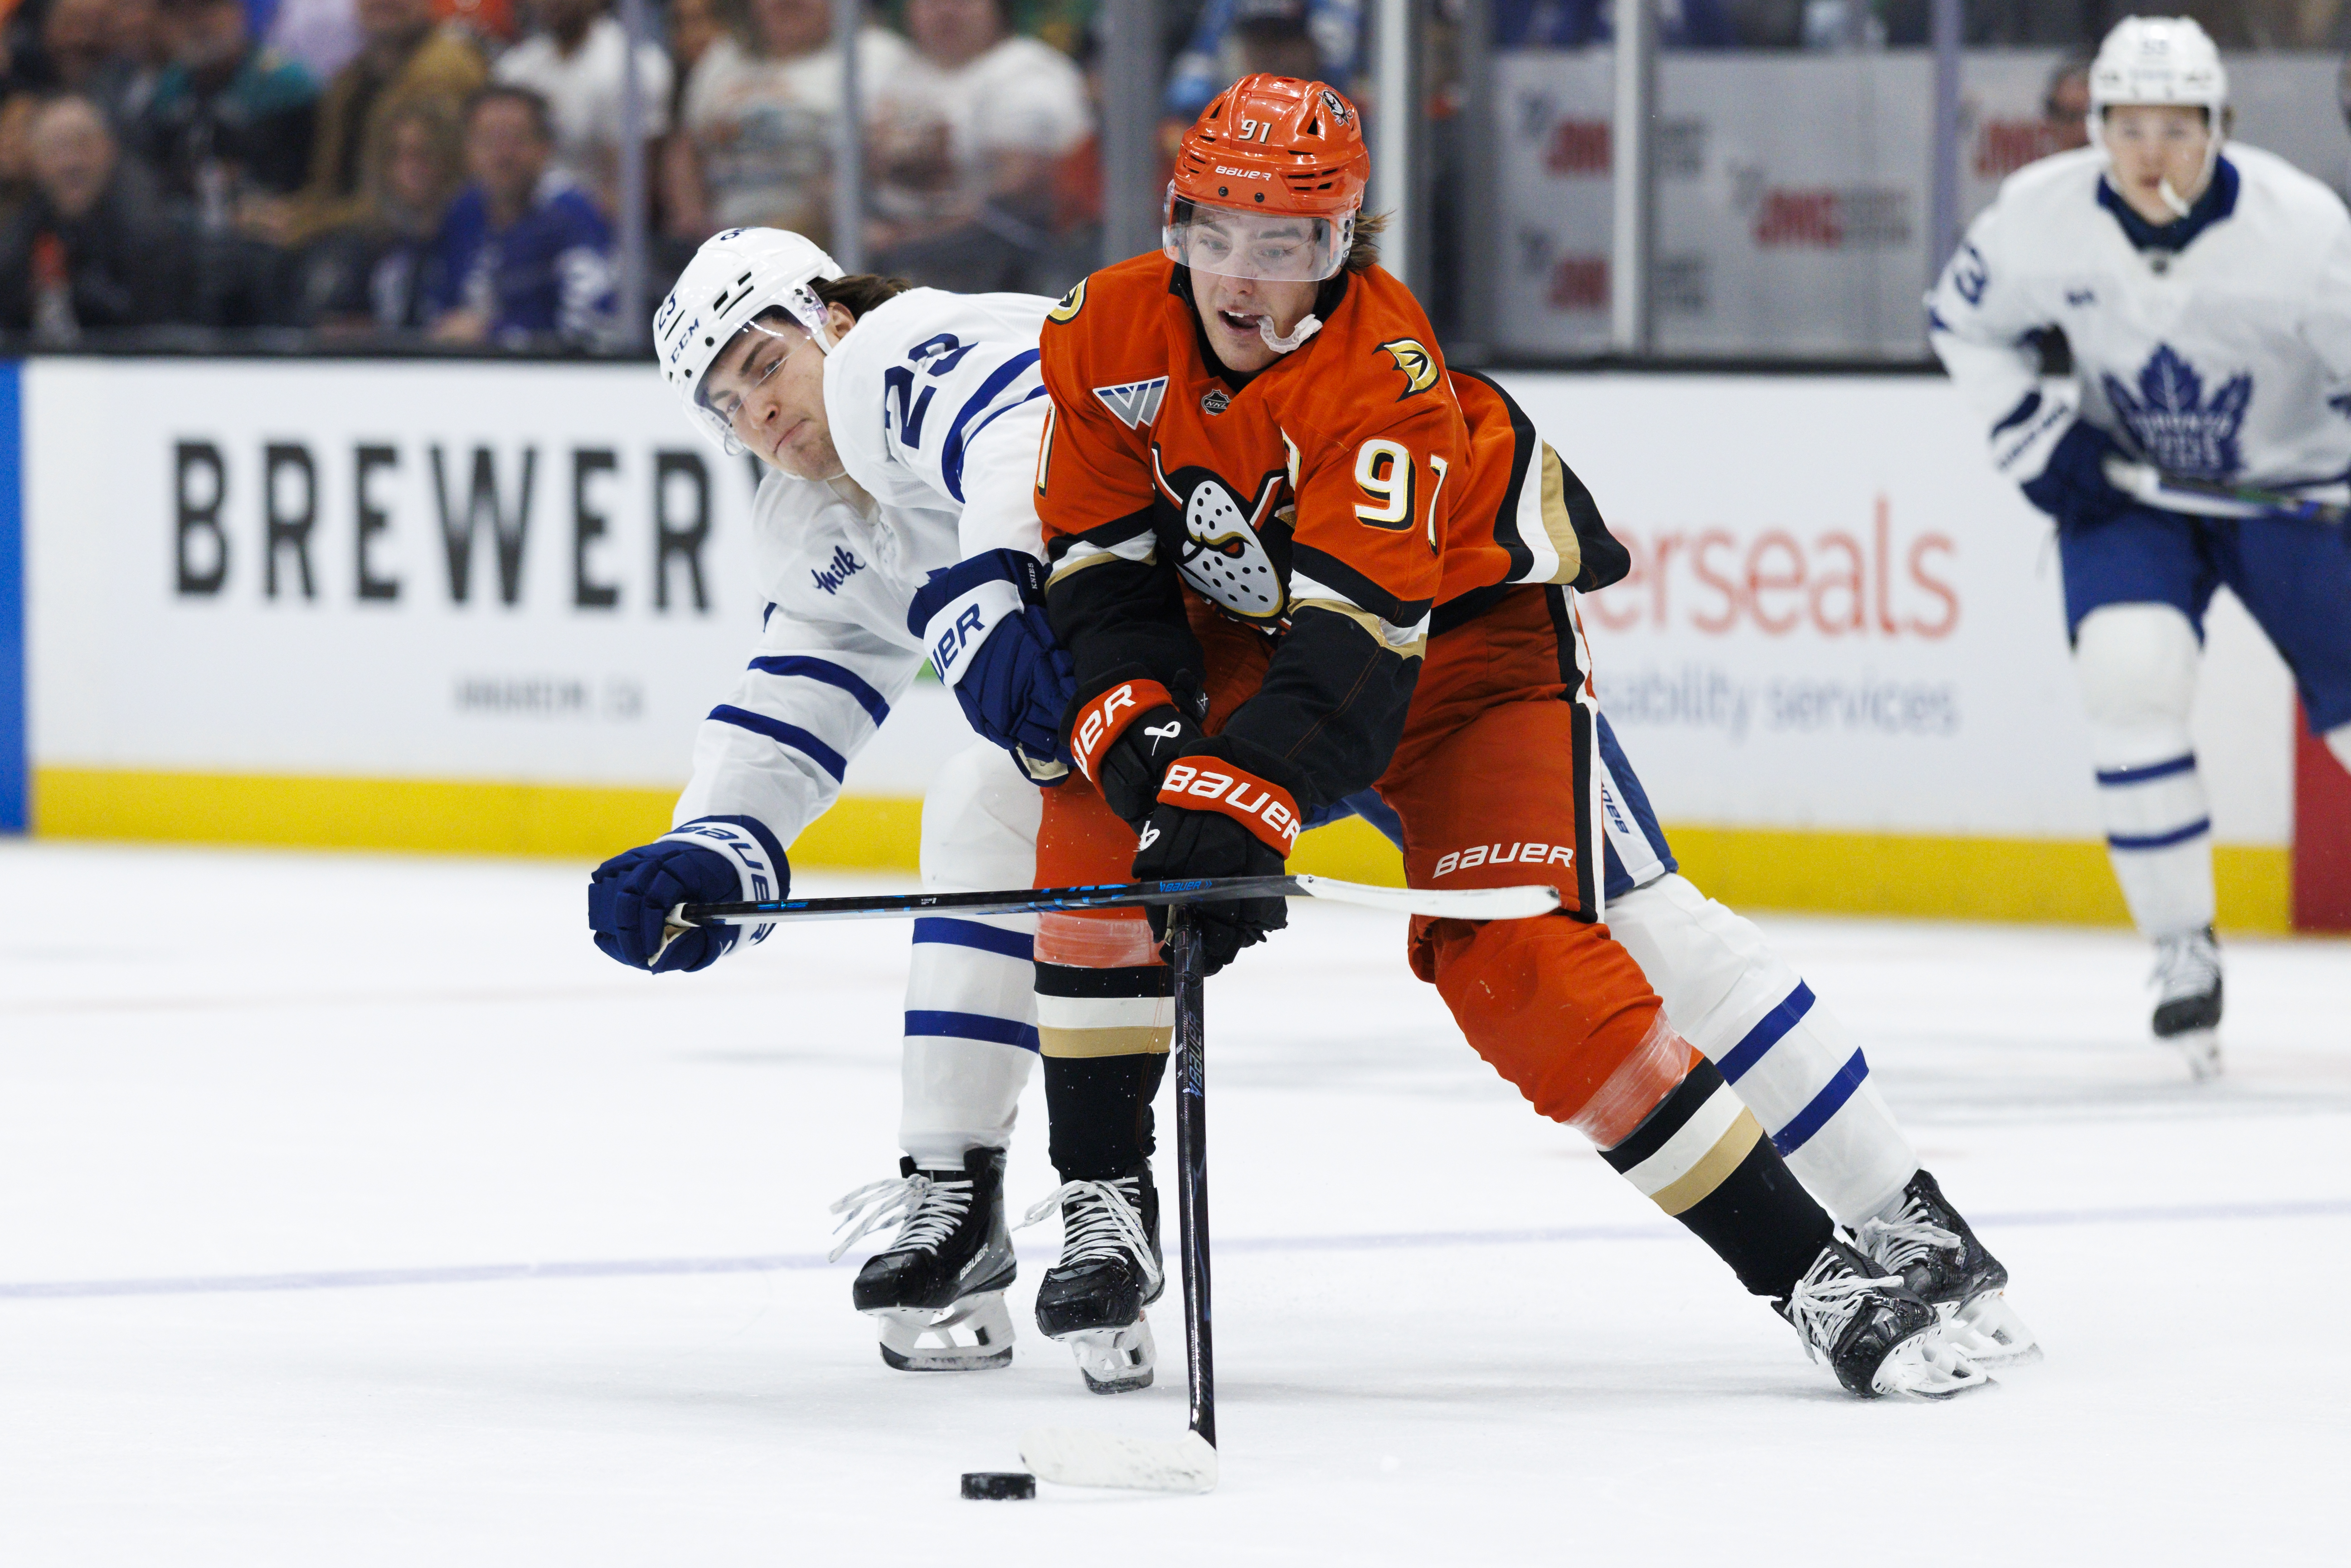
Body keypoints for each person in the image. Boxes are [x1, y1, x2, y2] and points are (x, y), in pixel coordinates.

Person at [1020, 72, 2016, 1402]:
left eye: (1288, 242)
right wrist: (1151, 757)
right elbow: (1099, 572)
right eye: (1218, 234)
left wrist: (1241, 799)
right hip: (1258, 625)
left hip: (1458, 640)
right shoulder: (1102, 333)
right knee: (1095, 815)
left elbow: (1357, 656)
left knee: (1537, 959)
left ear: (1344, 246)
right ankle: (1101, 1196)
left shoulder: (1381, 374)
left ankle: (1839, 1255)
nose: (1244, 279)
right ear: (1172, 223)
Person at [590, 225, 1079, 1371]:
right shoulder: (811, 525)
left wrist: (1001, 578)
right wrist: (718, 843)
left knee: (1556, 908)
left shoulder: (932, 350)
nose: (755, 416)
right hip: (1121, 744)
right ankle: (954, 1194)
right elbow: (793, 704)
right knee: (978, 805)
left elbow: (1022, 432)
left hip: (1290, 649)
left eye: (763, 365)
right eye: (724, 405)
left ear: (834, 320)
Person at [1929, 15, 2351, 1078]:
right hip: (2129, 492)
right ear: (2094, 128)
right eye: (2125, 125)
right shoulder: (2039, 218)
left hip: (2289, 494)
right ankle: (2178, 951)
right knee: (2127, 675)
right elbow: (1960, 323)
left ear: (2219, 127)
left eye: (2175, 125)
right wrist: (2032, 434)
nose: (2148, 150)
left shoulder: (2301, 233)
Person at [866, 0, 1088, 292]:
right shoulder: (890, 69)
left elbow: (1018, 199)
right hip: (902, 263)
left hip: (1009, 276)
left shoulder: (1029, 71)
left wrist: (904, 238)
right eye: (930, 3)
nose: (946, 10)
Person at [665, 0, 904, 246]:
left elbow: (882, 167)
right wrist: (698, 229)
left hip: (828, 244)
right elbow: (685, 154)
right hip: (723, 241)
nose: (785, 3)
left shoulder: (876, 54)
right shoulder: (722, 56)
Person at [262, 0, 483, 248]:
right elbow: (327, 189)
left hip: (420, 241)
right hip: (352, 230)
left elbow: (413, 196)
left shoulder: (444, 71)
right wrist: (285, 214)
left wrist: (306, 225)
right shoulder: (352, 78)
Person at [425, 84, 610, 345]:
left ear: (544, 147)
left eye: (515, 139)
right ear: (468, 149)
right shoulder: (463, 212)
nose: (503, 155)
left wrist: (493, 334)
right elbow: (441, 307)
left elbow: (592, 325)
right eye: (488, 140)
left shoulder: (571, 215)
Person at [0, 92, 182, 336]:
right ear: (35, 160)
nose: (71, 163)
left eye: (83, 144)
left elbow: (150, 320)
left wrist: (78, 287)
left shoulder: (144, 222)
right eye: (56, 148)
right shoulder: (27, 220)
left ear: (109, 149)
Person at [132, 0, 318, 222]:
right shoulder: (167, 89)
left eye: (208, 9)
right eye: (181, 15)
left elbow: (310, 182)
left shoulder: (285, 85)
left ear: (237, 11)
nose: (196, 24)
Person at [492, 0, 671, 213]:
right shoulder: (514, 69)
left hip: (594, 224)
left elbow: (629, 194)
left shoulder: (633, 66)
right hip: (517, 215)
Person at [299, 94, 460, 331]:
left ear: (449, 159)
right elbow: (332, 326)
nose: (411, 168)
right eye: (398, 155)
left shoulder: (470, 239)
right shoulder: (361, 244)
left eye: (424, 154)